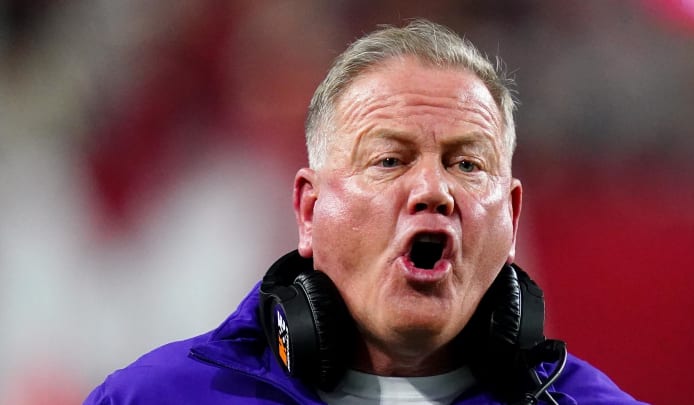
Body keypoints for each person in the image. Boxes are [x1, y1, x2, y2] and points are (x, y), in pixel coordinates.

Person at [84, 20, 647, 405]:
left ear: (514, 217)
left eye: (467, 164)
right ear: (309, 210)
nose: (433, 189)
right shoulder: (155, 397)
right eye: (389, 159)